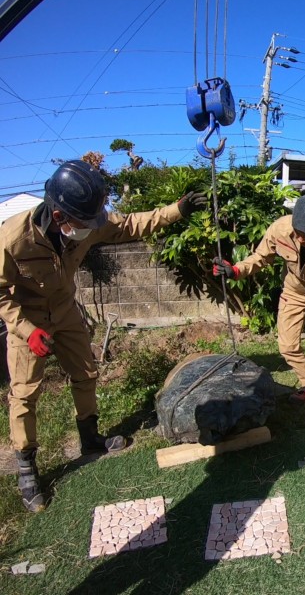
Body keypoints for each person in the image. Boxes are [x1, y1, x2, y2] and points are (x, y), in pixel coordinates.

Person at [0, 159, 207, 512]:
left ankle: (90, 437)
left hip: (65, 310)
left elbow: (130, 224)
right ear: (60, 216)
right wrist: (27, 330)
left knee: (85, 371)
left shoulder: (87, 221)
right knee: (24, 394)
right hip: (28, 319)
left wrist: (177, 209)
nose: (91, 229)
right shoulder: (11, 240)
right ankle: (26, 466)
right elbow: (1, 294)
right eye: (84, 223)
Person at [213, 194, 305, 426]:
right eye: (296, 231)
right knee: (287, 346)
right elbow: (260, 257)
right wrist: (236, 271)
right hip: (294, 293)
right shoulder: (280, 228)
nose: (298, 238)